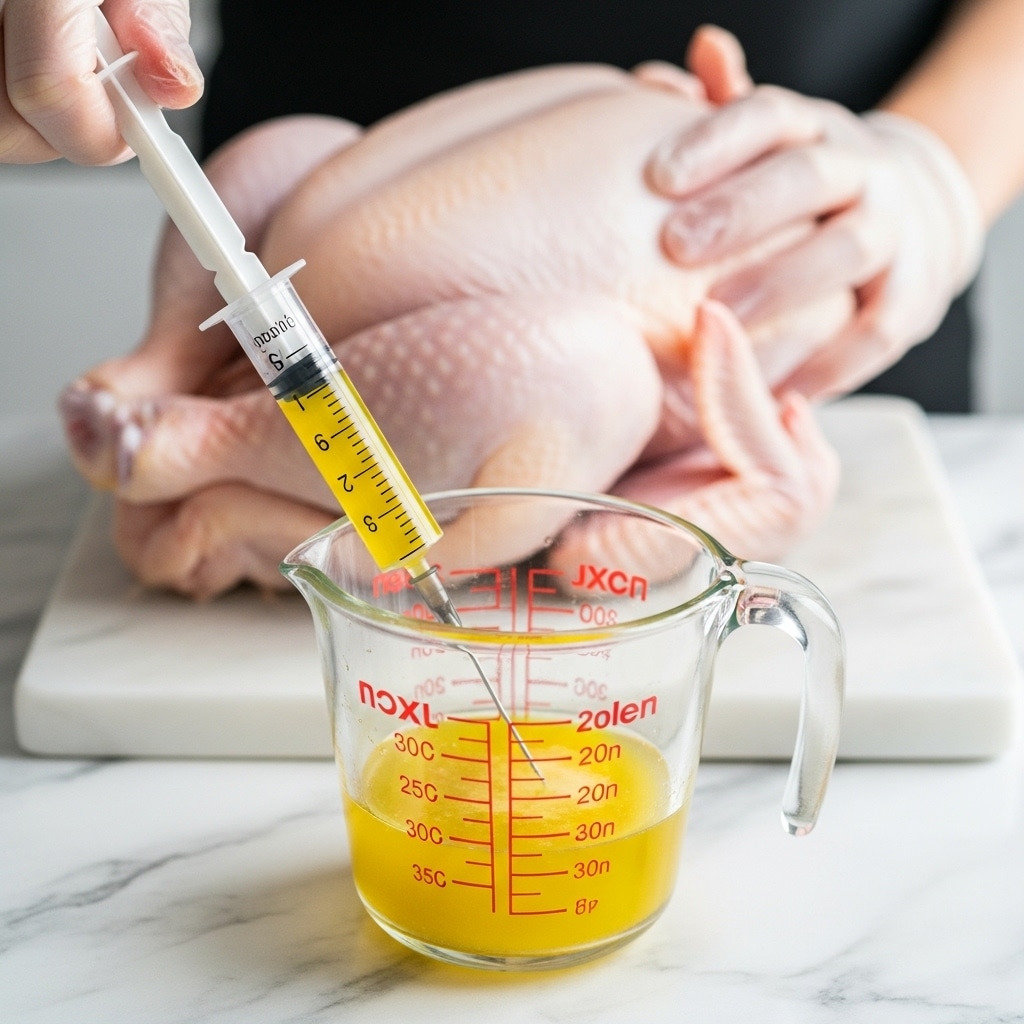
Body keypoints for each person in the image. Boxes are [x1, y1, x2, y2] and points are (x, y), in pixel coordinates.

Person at [3, 0, 1023, 592]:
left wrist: (937, 167)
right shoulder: (768, 392)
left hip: (303, 209)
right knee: (595, 382)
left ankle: (171, 374)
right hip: (485, 361)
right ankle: (211, 453)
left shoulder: (781, 215)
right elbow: (593, 554)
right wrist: (782, 497)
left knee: (287, 153)